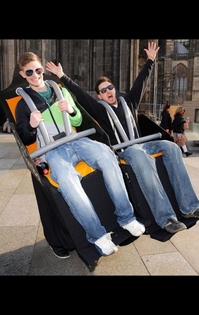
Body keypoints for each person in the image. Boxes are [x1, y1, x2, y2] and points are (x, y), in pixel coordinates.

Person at [46, 41, 199, 234]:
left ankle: (190, 207)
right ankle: (166, 219)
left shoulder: (129, 101)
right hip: (125, 151)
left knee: (172, 147)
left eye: (110, 87)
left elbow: (141, 82)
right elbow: (80, 95)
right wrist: (62, 76)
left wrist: (150, 61)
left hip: (142, 145)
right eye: (104, 90)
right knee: (139, 155)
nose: (109, 91)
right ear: (99, 96)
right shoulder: (99, 109)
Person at [15, 52, 146, 259]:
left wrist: (71, 111)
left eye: (38, 70)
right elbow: (24, 137)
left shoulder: (59, 90)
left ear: (42, 69)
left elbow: (76, 121)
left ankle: (126, 217)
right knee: (67, 180)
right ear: (23, 74)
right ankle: (97, 235)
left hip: (76, 139)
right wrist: (31, 125)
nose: (35, 75)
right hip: (53, 149)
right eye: (29, 72)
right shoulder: (23, 104)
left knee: (106, 155)